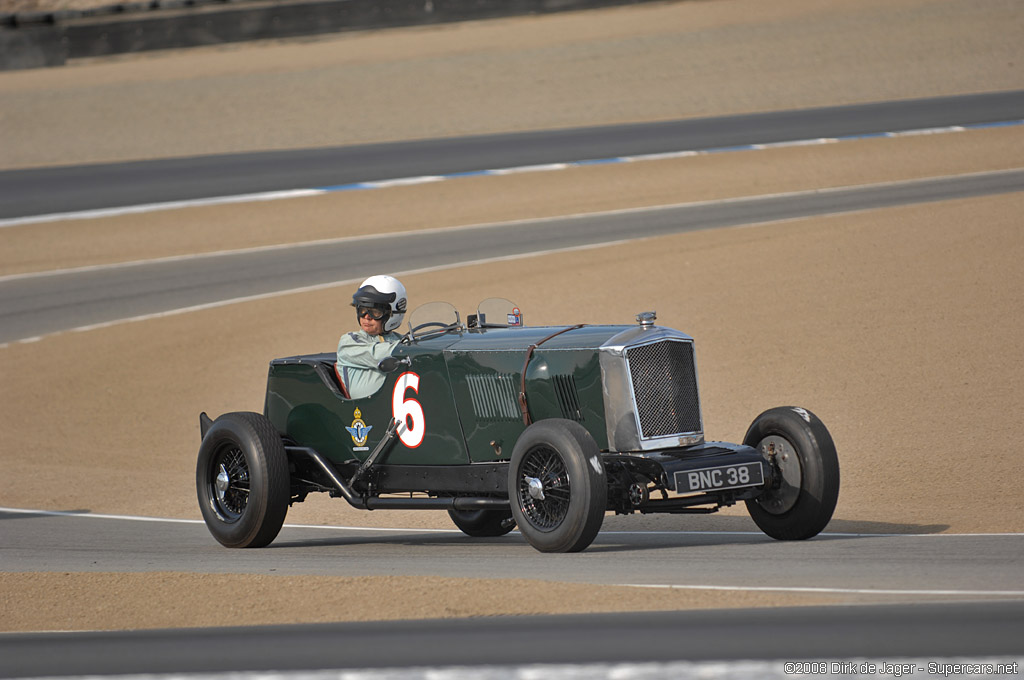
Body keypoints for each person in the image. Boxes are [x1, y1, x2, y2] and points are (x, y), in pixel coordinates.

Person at [335, 275, 408, 399]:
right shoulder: (349, 342)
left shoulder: (402, 340)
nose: (366, 317)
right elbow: (377, 354)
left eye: (375, 312)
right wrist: (411, 347)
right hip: (365, 412)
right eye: (362, 310)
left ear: (392, 314)